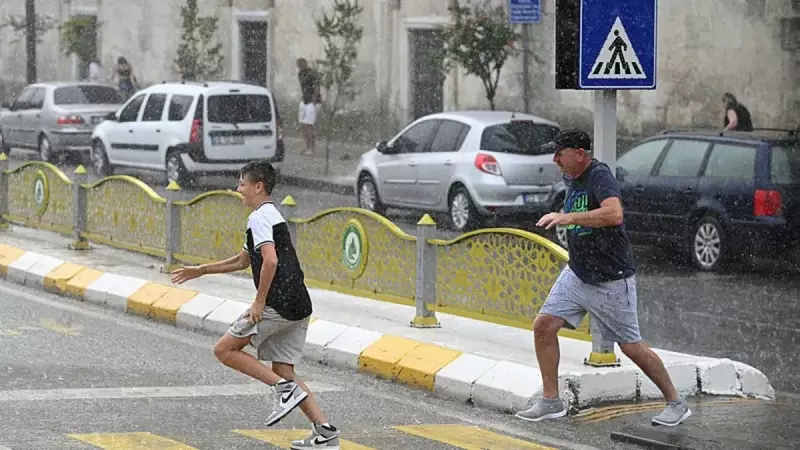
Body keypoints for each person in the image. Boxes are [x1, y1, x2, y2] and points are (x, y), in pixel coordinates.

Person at [515, 129, 692, 428]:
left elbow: (614, 215)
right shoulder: (570, 177)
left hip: (610, 279)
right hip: (578, 273)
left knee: (631, 347)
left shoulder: (600, 175)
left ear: (580, 153)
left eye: (561, 152)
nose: (555, 158)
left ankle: (676, 402)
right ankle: (551, 401)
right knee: (543, 326)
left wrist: (567, 217)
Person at [170, 161, 342, 450]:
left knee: (224, 349)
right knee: (284, 370)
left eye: (242, 184)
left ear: (258, 187)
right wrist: (201, 270)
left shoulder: (260, 217)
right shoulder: (271, 216)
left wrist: (259, 302)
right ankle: (325, 433)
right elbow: (241, 261)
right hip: (299, 304)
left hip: (279, 303)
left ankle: (283, 390)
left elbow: (271, 260)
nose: (238, 190)